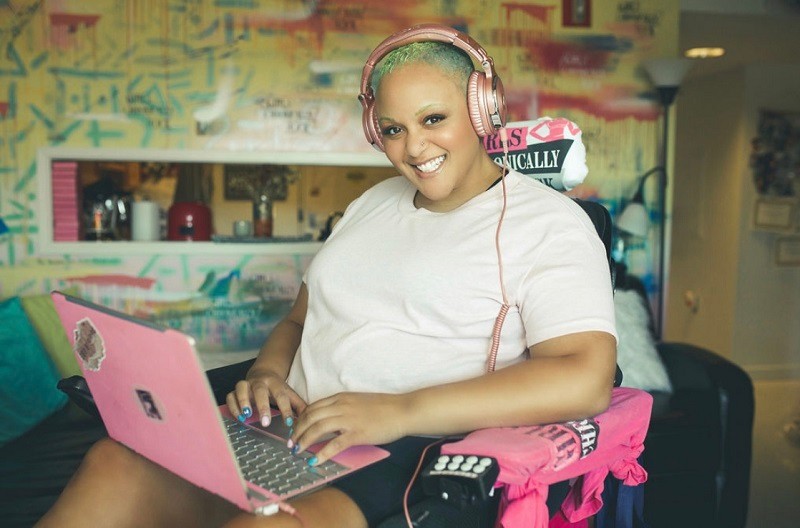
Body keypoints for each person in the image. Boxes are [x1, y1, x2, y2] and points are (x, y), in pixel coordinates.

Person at [37, 24, 616, 528]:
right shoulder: (373, 204)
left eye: (433, 119)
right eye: (391, 129)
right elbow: (299, 319)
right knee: (114, 463)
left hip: (404, 451)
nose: (413, 148)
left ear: (483, 107)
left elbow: (584, 378)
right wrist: (267, 374)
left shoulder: (548, 224)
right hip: (289, 433)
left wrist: (399, 411)